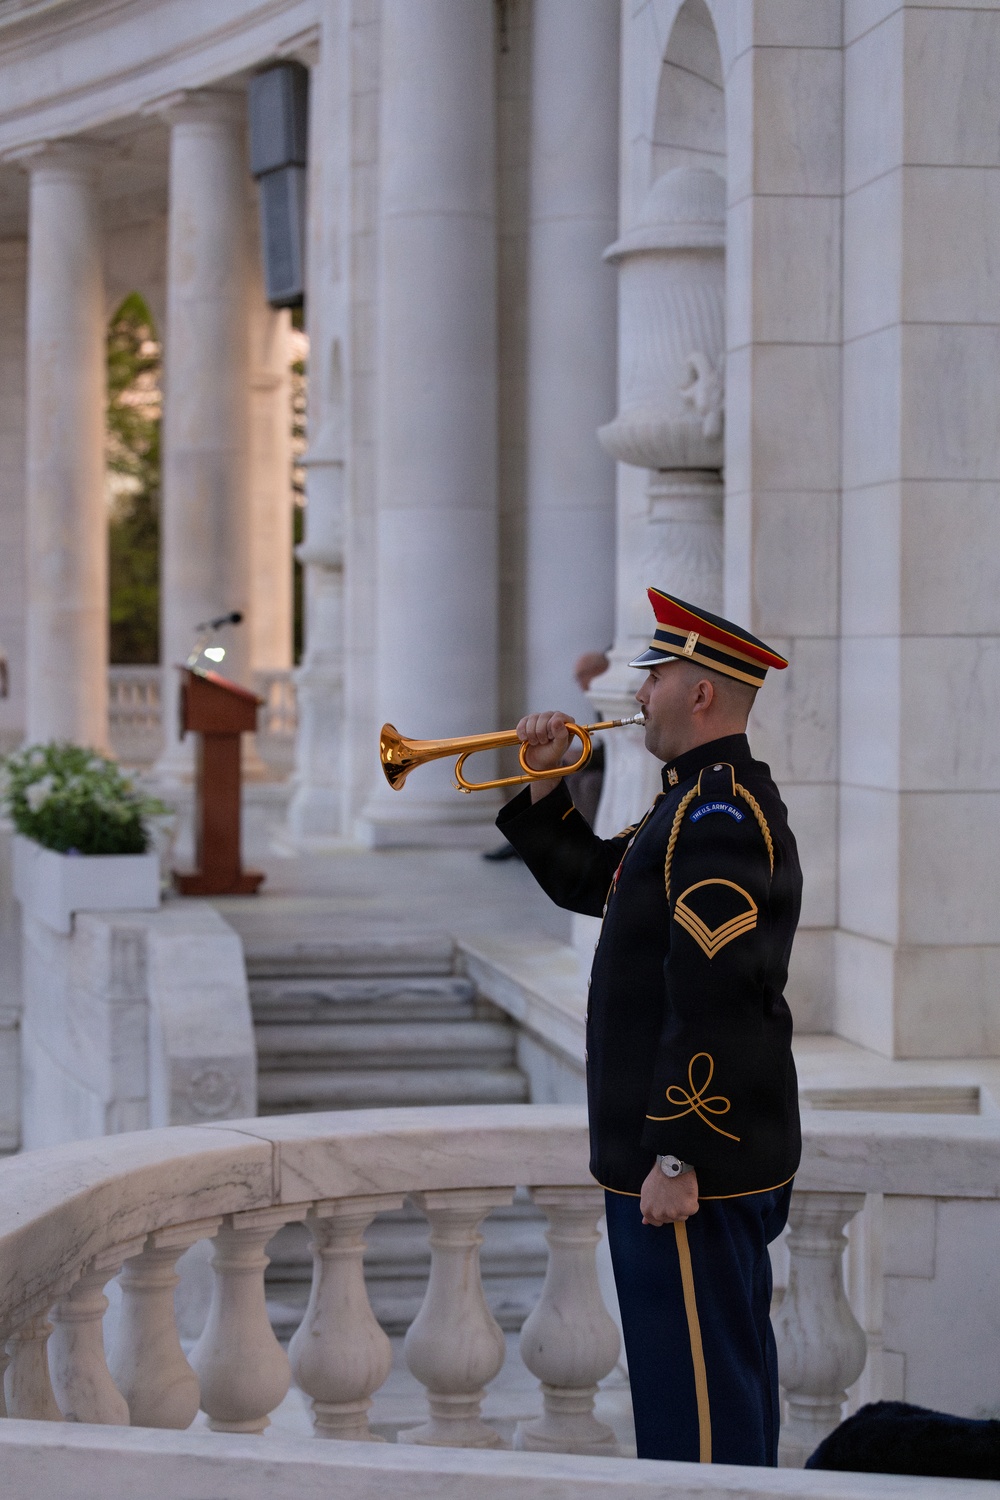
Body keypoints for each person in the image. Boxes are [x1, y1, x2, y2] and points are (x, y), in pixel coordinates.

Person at [495, 588, 802, 1466]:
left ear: (700, 693)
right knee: (718, 1385)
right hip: (696, 1157)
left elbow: (718, 992)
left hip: (690, 1164)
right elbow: (590, 879)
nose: (641, 695)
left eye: (656, 676)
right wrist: (545, 781)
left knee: (696, 1407)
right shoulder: (690, 805)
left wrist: (676, 1153)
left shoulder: (717, 816)